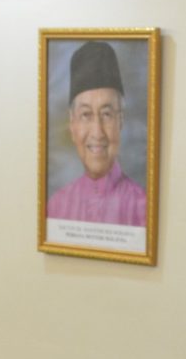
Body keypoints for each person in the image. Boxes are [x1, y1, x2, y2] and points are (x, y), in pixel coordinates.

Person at [44, 39, 147, 229]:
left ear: (121, 121)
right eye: (86, 115)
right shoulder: (56, 205)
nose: (97, 132)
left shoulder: (143, 207)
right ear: (72, 124)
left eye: (106, 114)